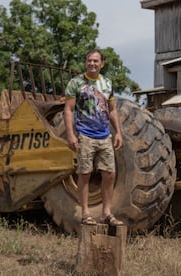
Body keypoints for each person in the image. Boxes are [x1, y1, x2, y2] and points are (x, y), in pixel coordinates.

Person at [64, 49, 123, 226]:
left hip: (104, 135)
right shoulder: (76, 83)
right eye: (89, 61)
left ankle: (106, 213)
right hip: (85, 135)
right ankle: (86, 213)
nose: (92, 64)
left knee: (110, 174)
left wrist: (118, 132)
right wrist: (70, 135)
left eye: (96, 61)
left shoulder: (107, 83)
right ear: (85, 63)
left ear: (102, 64)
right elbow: (68, 109)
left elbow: (112, 110)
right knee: (84, 174)